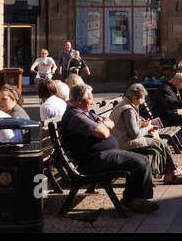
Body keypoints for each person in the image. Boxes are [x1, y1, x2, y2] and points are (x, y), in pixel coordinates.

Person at [61, 84, 158, 213]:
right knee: (140, 161)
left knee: (140, 159)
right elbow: (104, 133)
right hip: (93, 160)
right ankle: (133, 200)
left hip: (101, 155)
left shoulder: (84, 113)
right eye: (90, 99)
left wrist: (104, 124)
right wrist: (104, 125)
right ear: (79, 101)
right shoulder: (77, 117)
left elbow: (109, 122)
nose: (93, 102)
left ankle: (133, 198)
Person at [110, 83, 182, 185]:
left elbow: (129, 127)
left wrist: (142, 124)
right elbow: (134, 134)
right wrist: (148, 128)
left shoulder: (124, 104)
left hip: (123, 139)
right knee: (161, 143)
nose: (142, 102)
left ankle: (171, 173)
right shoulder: (128, 110)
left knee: (160, 143)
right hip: (126, 143)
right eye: (142, 99)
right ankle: (171, 174)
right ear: (135, 98)